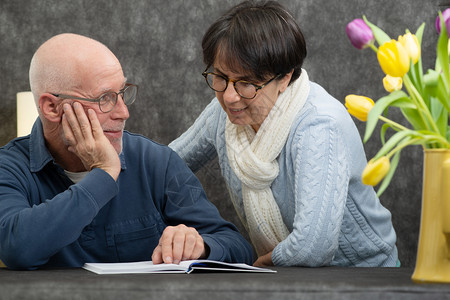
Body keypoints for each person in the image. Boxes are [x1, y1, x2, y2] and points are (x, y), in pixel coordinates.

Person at [170, 0, 398, 267]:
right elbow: (165, 163)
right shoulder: (223, 114)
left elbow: (313, 247)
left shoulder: (319, 124)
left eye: (246, 83)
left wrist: (258, 267)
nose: (230, 96)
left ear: (285, 78)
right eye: (220, 78)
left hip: (364, 277)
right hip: (282, 275)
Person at [0, 33, 253, 270]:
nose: (123, 112)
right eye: (105, 98)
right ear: (52, 108)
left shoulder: (156, 161)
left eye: (121, 93)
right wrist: (104, 173)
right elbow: (15, 249)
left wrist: (202, 246)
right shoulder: (9, 167)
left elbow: (237, 246)